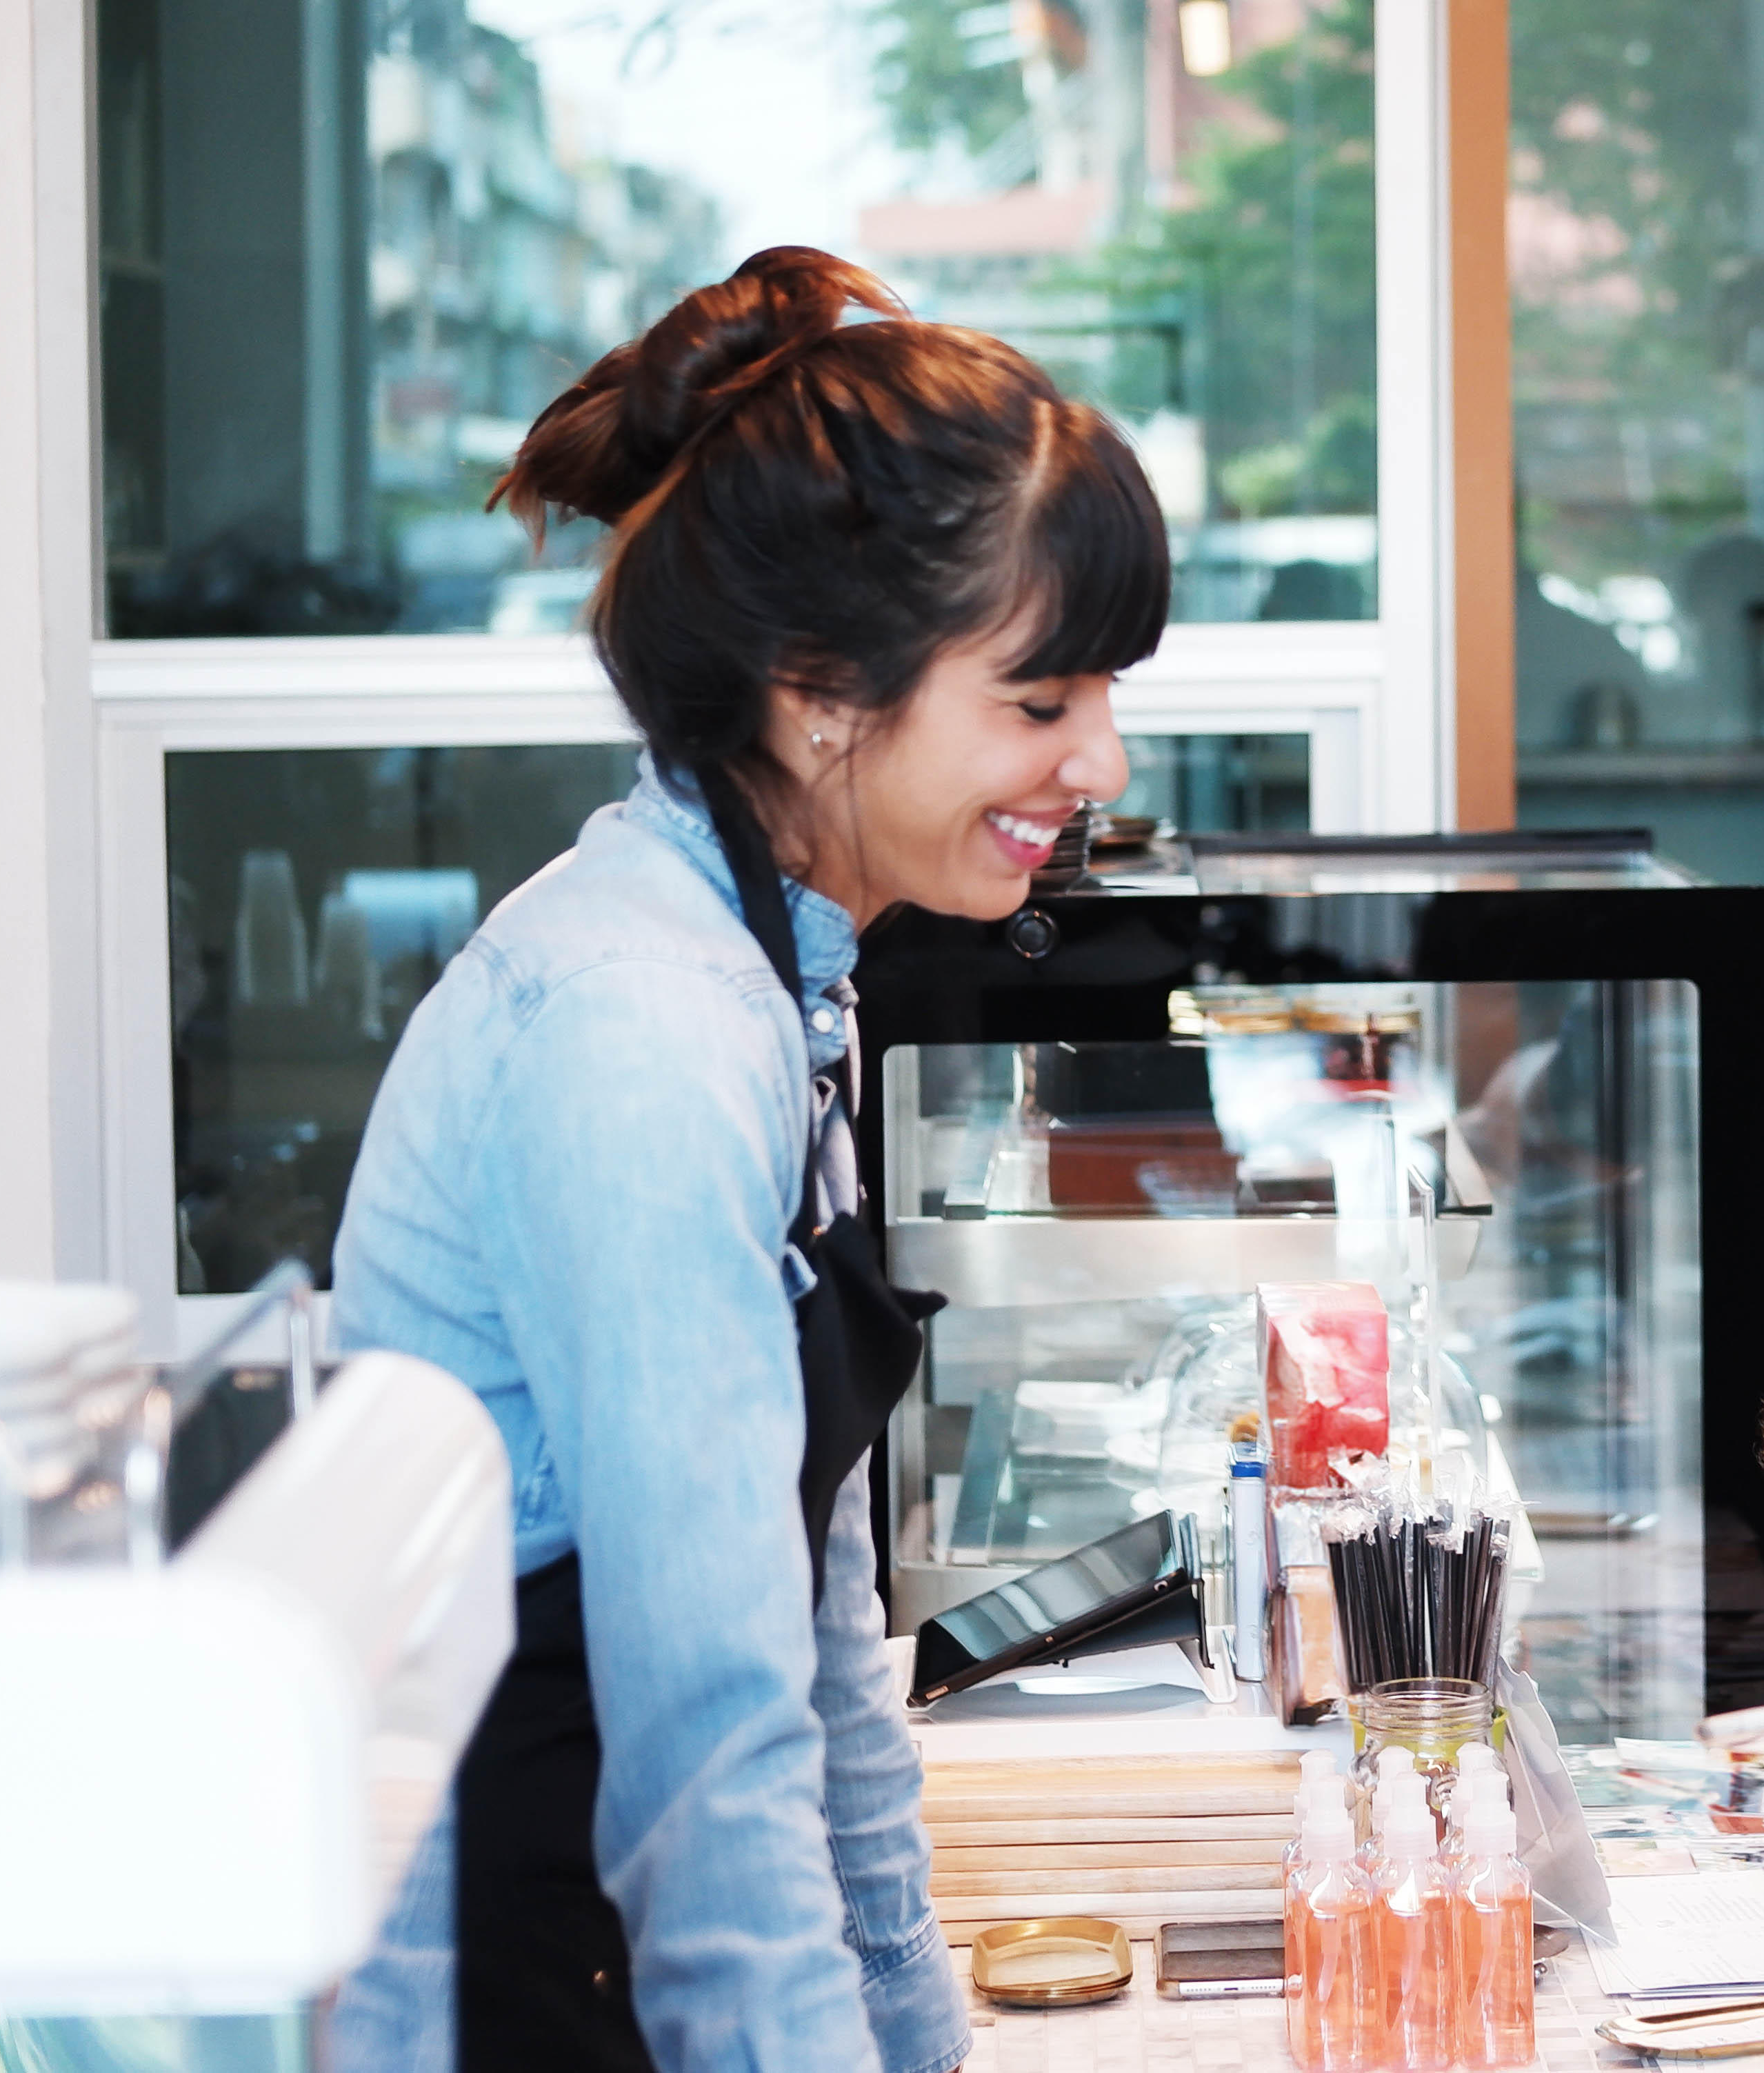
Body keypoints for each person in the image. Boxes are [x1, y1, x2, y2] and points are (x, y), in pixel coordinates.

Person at [328, 246, 1167, 2073]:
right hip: (529, 1984)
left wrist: (911, 2041)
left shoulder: (779, 978)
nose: (1104, 753)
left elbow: (820, 1648)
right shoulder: (639, 1032)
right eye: (1040, 702)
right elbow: (708, 1760)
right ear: (816, 694)